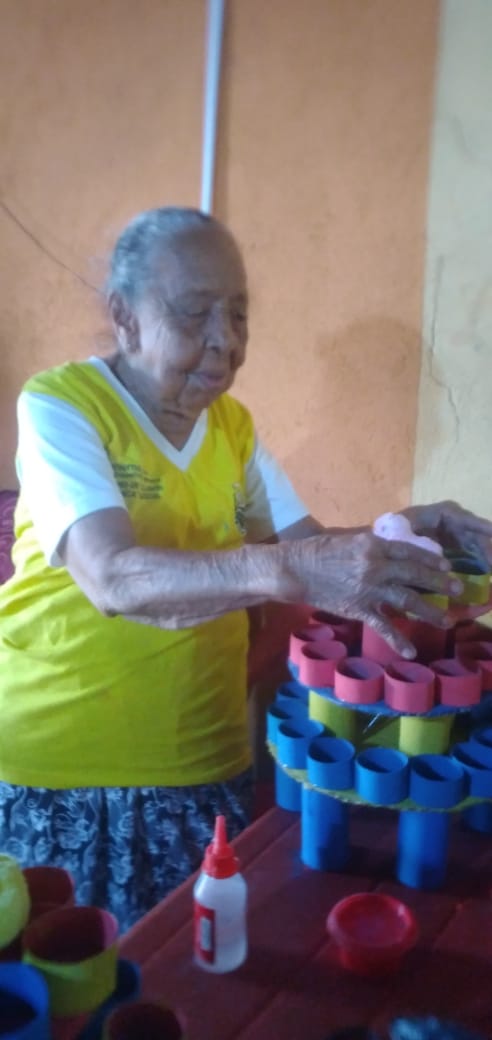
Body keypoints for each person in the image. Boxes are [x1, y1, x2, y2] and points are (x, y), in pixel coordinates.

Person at [0, 207, 490, 932]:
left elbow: (308, 546)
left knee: (199, 969)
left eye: (238, 315)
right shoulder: (64, 405)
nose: (224, 341)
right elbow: (114, 580)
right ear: (124, 316)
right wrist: (293, 567)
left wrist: (410, 529)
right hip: (67, 765)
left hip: (207, 758)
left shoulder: (232, 427)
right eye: (194, 312)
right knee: (79, 977)